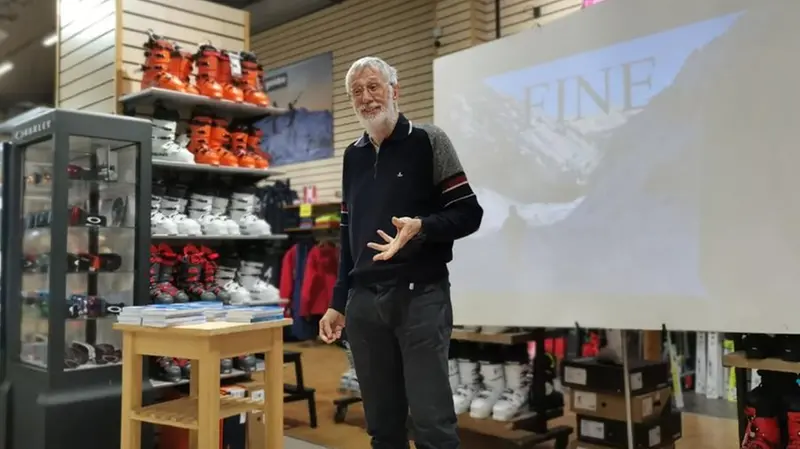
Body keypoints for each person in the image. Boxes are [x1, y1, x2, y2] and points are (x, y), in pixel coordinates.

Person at [318, 56, 484, 449]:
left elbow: (468, 213)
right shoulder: (352, 156)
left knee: (432, 424)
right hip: (365, 305)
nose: (366, 97)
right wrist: (339, 301)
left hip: (420, 297)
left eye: (374, 87)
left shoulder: (429, 141)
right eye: (357, 91)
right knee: (382, 425)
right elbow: (347, 234)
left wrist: (422, 228)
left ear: (395, 90)